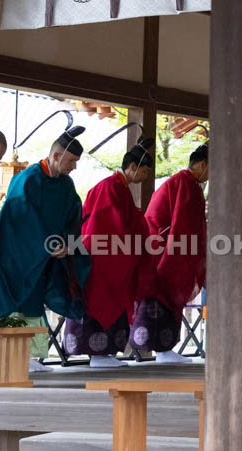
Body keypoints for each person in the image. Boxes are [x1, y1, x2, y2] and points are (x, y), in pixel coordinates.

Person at [0, 127, 92, 372]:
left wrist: (68, 243)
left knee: (33, 302)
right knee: (13, 304)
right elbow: (22, 218)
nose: (74, 167)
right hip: (14, 257)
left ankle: (29, 356)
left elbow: (75, 217)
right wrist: (50, 244)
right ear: (56, 156)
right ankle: (11, 357)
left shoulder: (66, 185)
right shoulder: (27, 179)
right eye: (71, 161)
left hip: (43, 257)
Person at [64, 138, 155, 368]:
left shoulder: (120, 188)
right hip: (102, 260)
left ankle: (107, 354)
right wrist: (133, 247)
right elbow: (105, 228)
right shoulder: (110, 187)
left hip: (113, 257)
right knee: (100, 299)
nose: (145, 177)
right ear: (132, 167)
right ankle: (99, 355)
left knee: (113, 301)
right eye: (144, 171)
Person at [130, 142, 208, 363]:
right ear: (202, 164)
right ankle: (162, 350)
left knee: (163, 300)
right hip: (166, 252)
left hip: (163, 249)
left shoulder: (183, 182)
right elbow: (182, 224)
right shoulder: (185, 183)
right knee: (163, 297)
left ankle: (164, 350)